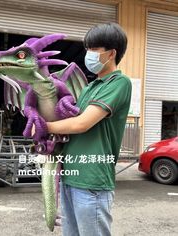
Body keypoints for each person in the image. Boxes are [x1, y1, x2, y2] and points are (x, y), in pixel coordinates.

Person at [45, 22, 132, 236]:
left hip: (92, 180)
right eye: (87, 49)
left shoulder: (119, 83)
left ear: (111, 53)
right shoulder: (90, 87)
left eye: (94, 49)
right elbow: (68, 121)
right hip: (70, 176)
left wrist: (43, 126)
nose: (88, 54)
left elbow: (81, 123)